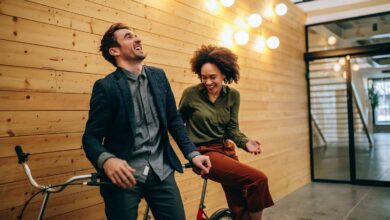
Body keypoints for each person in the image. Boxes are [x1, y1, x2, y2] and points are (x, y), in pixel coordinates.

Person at [82, 23, 211, 220]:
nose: (137, 39)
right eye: (128, 37)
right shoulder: (105, 87)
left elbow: (174, 121)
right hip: (124, 177)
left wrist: (192, 154)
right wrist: (107, 160)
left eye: (136, 35)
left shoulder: (158, 76)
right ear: (114, 50)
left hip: (162, 171)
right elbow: (90, 138)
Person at [179, 45, 274, 220]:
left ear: (224, 74)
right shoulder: (191, 94)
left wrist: (245, 142)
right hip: (204, 154)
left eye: (213, 77)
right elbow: (177, 124)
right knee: (258, 179)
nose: (208, 82)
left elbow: (232, 129)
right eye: (204, 77)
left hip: (226, 151)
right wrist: (189, 153)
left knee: (239, 205)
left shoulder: (232, 96)